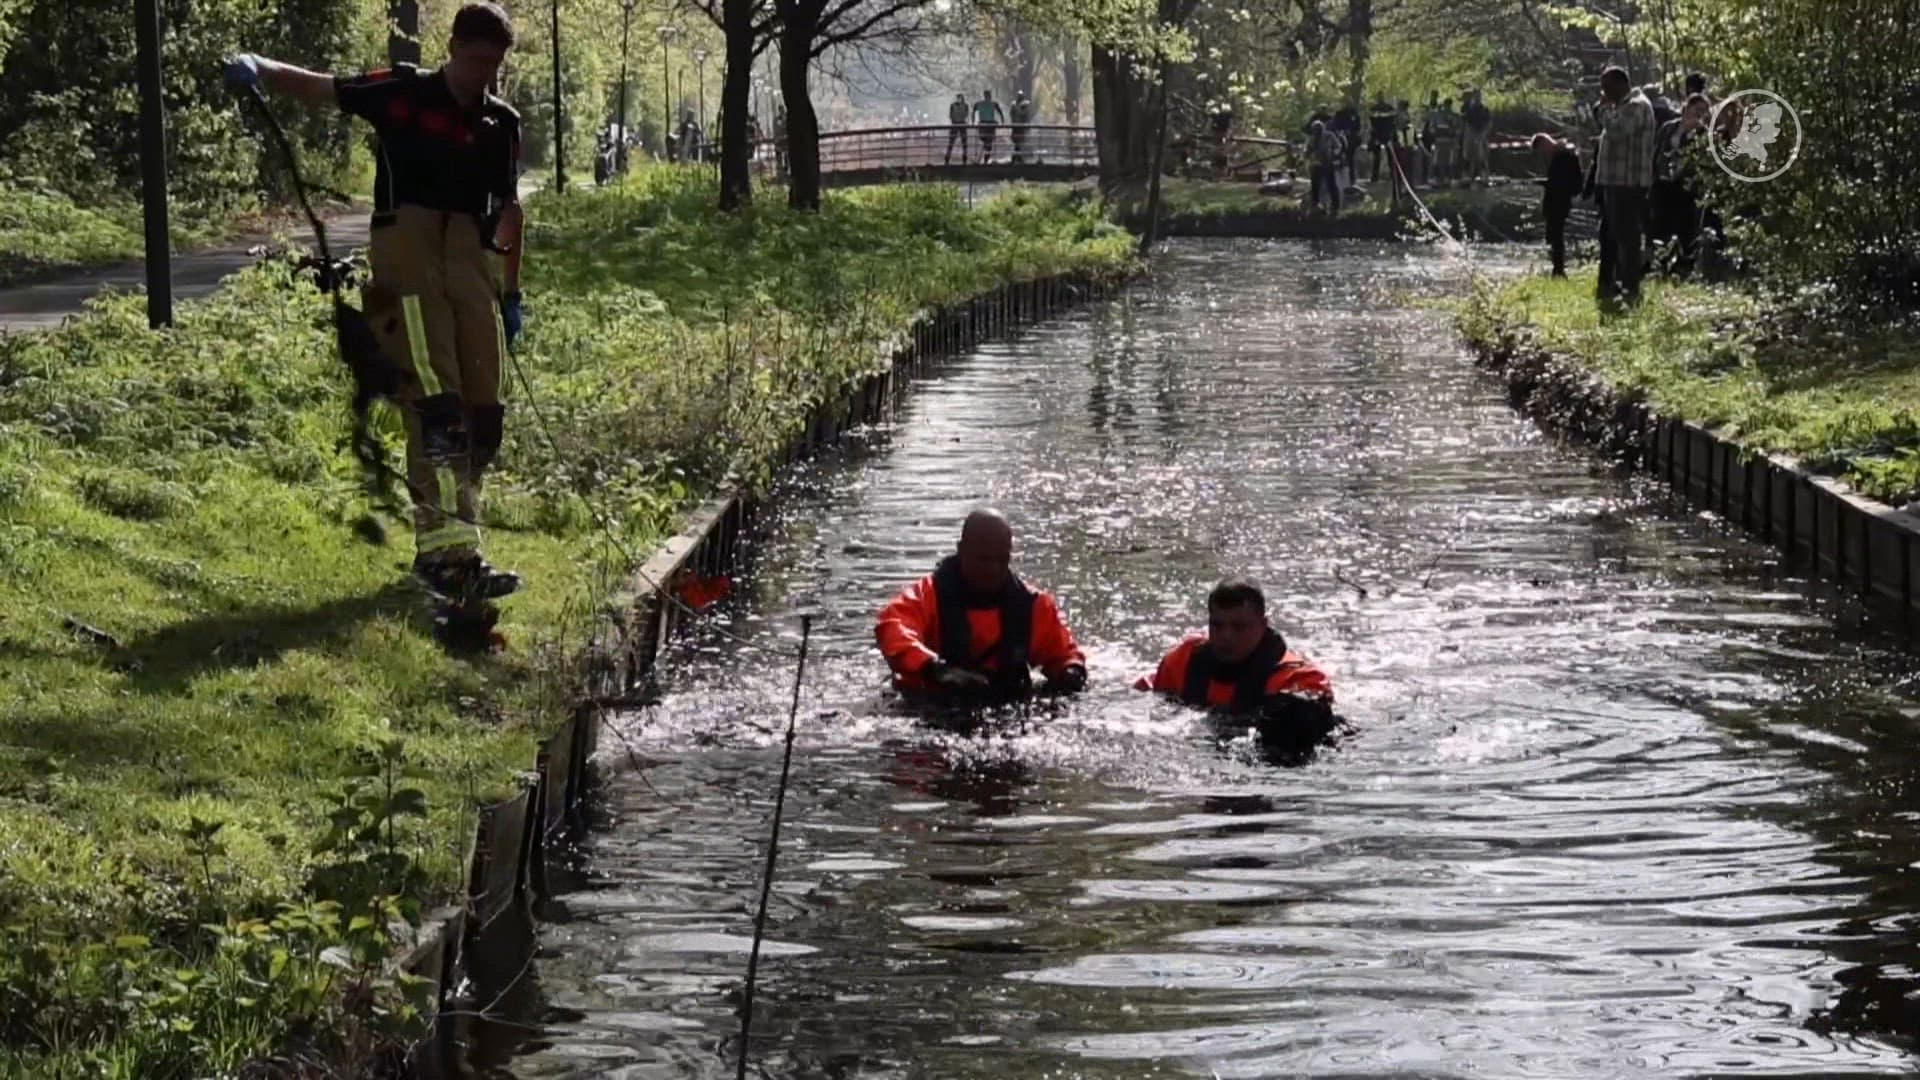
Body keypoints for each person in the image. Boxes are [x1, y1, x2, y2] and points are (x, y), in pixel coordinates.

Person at [223, 3, 524, 599]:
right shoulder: (403, 95)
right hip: (407, 261)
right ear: (454, 48)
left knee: (483, 415)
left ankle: (454, 532)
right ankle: (449, 558)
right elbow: (320, 88)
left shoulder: (501, 123)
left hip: (468, 262)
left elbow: (510, 211)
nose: (484, 75)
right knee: (437, 408)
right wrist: (258, 65)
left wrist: (511, 294)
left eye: (494, 65)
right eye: (476, 60)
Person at [875, 509, 1087, 700]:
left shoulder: (1032, 606)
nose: (993, 570)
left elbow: (1064, 653)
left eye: (1001, 560)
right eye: (983, 560)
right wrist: (935, 668)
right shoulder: (927, 596)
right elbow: (893, 628)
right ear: (961, 551)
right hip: (934, 707)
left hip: (1006, 710)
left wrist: (1071, 671)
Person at [1135, 578, 1336, 754]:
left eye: (1239, 627)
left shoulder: (1299, 681)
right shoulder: (1181, 662)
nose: (1226, 636)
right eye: (1217, 625)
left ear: (1263, 624)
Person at [1592, 66, 1655, 307]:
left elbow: (1618, 131)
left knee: (1627, 236)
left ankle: (1631, 286)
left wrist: (1603, 109)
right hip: (1614, 182)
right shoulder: (1622, 107)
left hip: (1628, 183)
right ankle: (1612, 282)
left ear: (1620, 84)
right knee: (1611, 234)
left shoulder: (1636, 106)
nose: (1603, 92)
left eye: (1606, 86)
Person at [1532, 133, 1583, 278]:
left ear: (1544, 144)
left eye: (1542, 150)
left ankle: (1559, 269)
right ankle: (1557, 268)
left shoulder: (1563, 156)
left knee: (1556, 237)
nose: (1543, 153)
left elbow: (1562, 182)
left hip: (1559, 202)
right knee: (1554, 236)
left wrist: (1548, 184)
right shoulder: (1560, 155)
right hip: (1557, 201)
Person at [1306, 119, 1343, 214]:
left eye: (1319, 129)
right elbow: (1307, 150)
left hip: (1327, 163)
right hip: (1316, 164)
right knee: (1315, 185)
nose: (1317, 131)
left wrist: (1335, 155)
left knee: (1331, 185)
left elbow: (1338, 146)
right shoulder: (1312, 139)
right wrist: (1308, 155)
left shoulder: (1329, 136)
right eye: (1315, 130)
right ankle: (1315, 204)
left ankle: (1335, 205)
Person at [1461, 89, 1493, 183]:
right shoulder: (1468, 108)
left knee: (1481, 155)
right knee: (1467, 155)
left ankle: (1484, 175)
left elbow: (1488, 122)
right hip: (1470, 132)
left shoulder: (1484, 109)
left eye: (1478, 96)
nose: (1477, 98)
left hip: (1480, 133)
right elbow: (1464, 120)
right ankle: (1466, 175)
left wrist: (1484, 134)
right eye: (1475, 96)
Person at [1368, 94, 1398, 182]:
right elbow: (1372, 122)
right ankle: (1375, 176)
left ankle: (1393, 175)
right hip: (1378, 134)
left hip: (1387, 135)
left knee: (1390, 156)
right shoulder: (1374, 109)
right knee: (1377, 157)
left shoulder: (1389, 108)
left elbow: (1393, 121)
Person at [973, 90, 1006, 164]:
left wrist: (973, 121)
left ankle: (984, 159)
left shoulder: (980, 104)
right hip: (988, 124)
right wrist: (1002, 121)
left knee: (987, 142)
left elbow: (973, 111)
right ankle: (985, 159)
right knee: (988, 143)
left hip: (985, 124)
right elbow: (1000, 112)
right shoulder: (992, 103)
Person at [1008, 90, 1033, 163]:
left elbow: (1025, 113)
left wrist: (1018, 110)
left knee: (1019, 142)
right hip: (1016, 125)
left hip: (1020, 125)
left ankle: (1016, 158)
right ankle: (1017, 158)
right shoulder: (1014, 104)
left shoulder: (1024, 105)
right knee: (1017, 141)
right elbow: (1011, 114)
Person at [945, 93, 969, 164]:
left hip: (956, 123)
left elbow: (951, 115)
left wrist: (955, 119)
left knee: (952, 141)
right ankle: (964, 156)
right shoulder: (965, 106)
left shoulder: (953, 105)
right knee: (963, 141)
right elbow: (966, 115)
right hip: (961, 123)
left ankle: (948, 156)